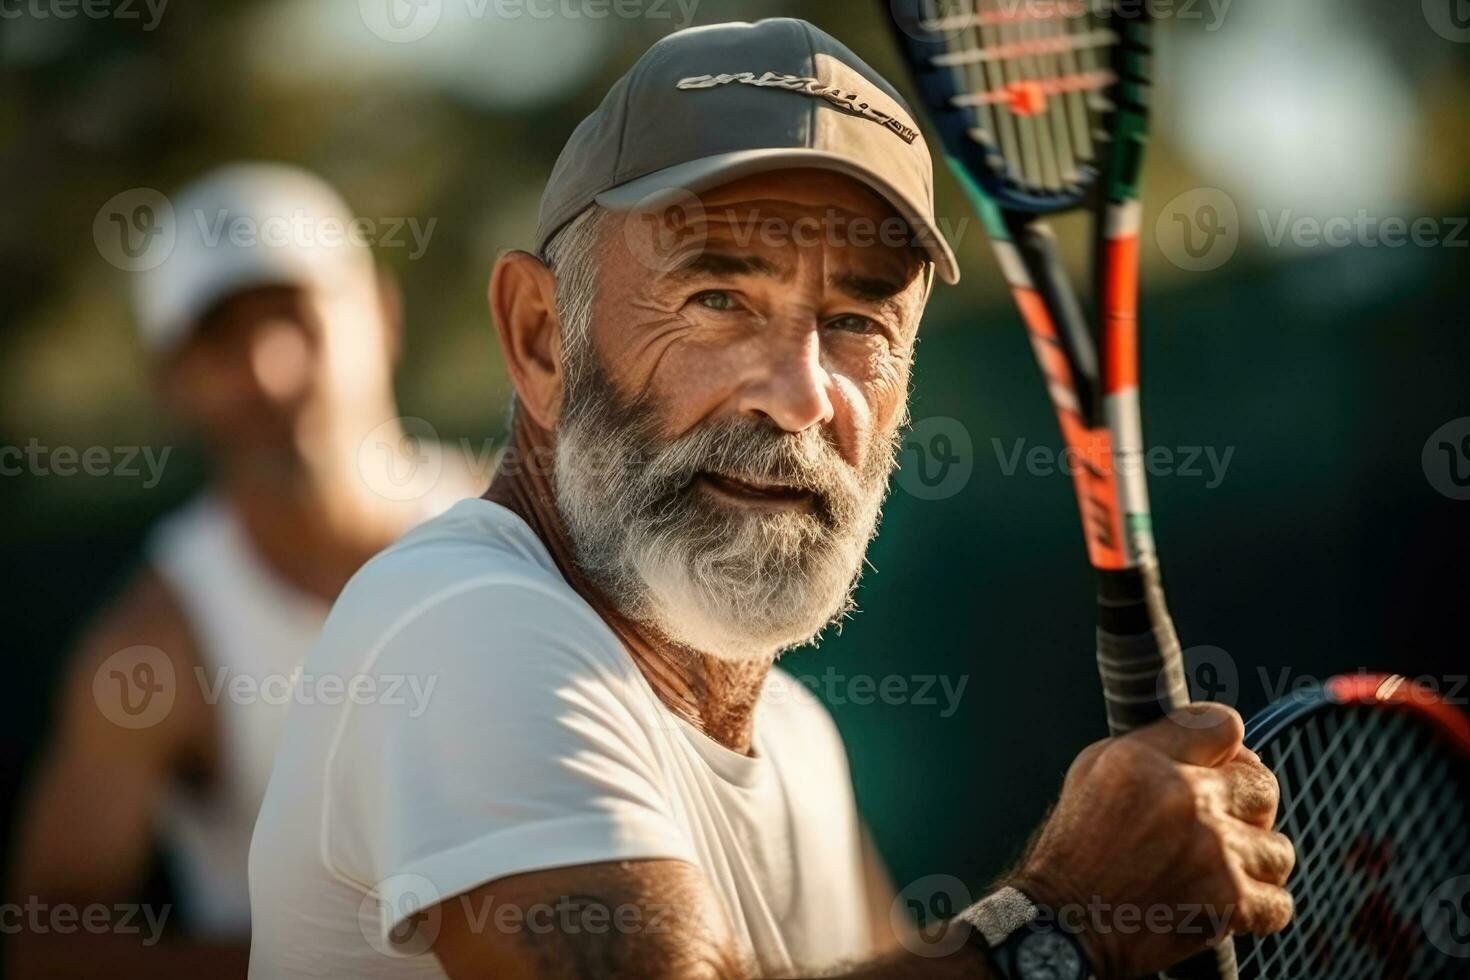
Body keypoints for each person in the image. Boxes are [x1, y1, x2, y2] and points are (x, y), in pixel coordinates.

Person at [248, 20, 1295, 980]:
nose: (799, 396)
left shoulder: (796, 740)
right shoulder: (463, 627)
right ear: (537, 338)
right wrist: (1067, 922)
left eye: (855, 323)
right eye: (718, 299)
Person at [9, 163, 473, 978]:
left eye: (297, 313)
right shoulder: (156, 643)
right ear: (171, 383)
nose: (270, 370)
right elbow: (49, 938)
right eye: (222, 339)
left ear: (381, 313)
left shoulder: (531, 531)